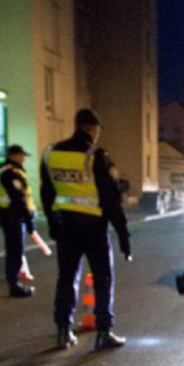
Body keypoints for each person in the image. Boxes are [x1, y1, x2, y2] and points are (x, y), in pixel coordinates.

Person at [41, 108, 131, 351]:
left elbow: (47, 193)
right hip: (93, 228)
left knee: (67, 278)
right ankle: (104, 332)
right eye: (97, 130)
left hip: (66, 226)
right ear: (92, 129)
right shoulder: (95, 157)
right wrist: (123, 235)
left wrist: (53, 224)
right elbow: (111, 200)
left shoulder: (52, 154)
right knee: (102, 279)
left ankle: (63, 331)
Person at [0, 145, 37, 298]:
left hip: (8, 213)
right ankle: (14, 286)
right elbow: (18, 197)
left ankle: (14, 282)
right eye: (21, 155)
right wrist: (28, 219)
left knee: (14, 249)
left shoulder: (2, 170)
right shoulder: (10, 173)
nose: (23, 158)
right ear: (13, 156)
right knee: (15, 251)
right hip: (13, 215)